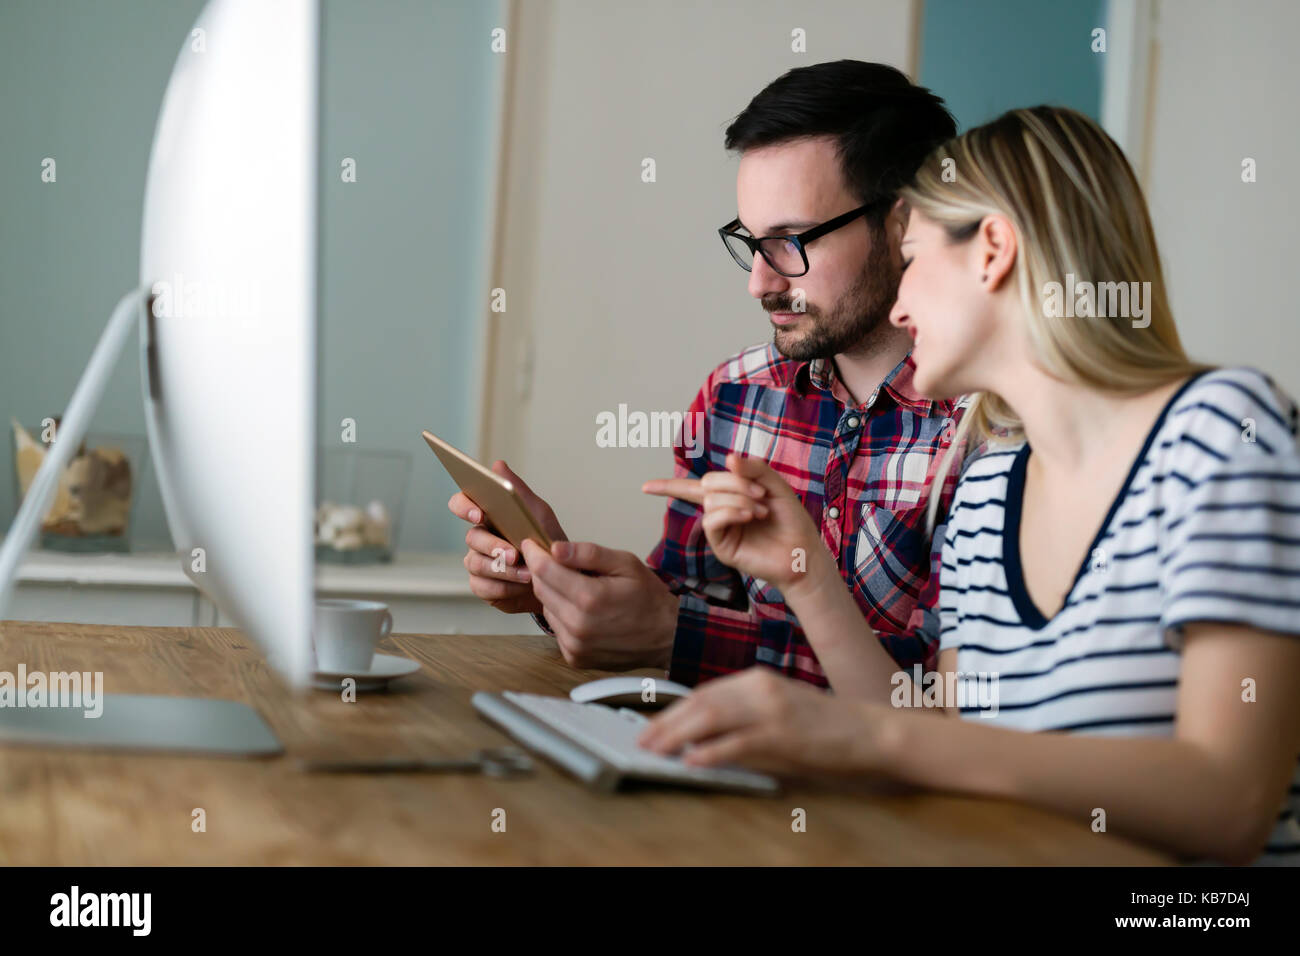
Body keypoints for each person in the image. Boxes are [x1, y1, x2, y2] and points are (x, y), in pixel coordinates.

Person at [638, 105, 1300, 865]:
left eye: (912, 259)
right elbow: (936, 742)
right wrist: (807, 574)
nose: (898, 302)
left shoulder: (1219, 433)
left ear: (992, 251)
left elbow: (1230, 800)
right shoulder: (988, 489)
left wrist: (876, 738)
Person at [451, 61, 964, 687]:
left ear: (904, 225)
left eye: (792, 241)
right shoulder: (736, 397)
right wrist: (560, 580)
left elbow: (942, 693)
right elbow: (691, 608)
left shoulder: (991, 424)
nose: (759, 282)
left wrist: (676, 635)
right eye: (750, 242)